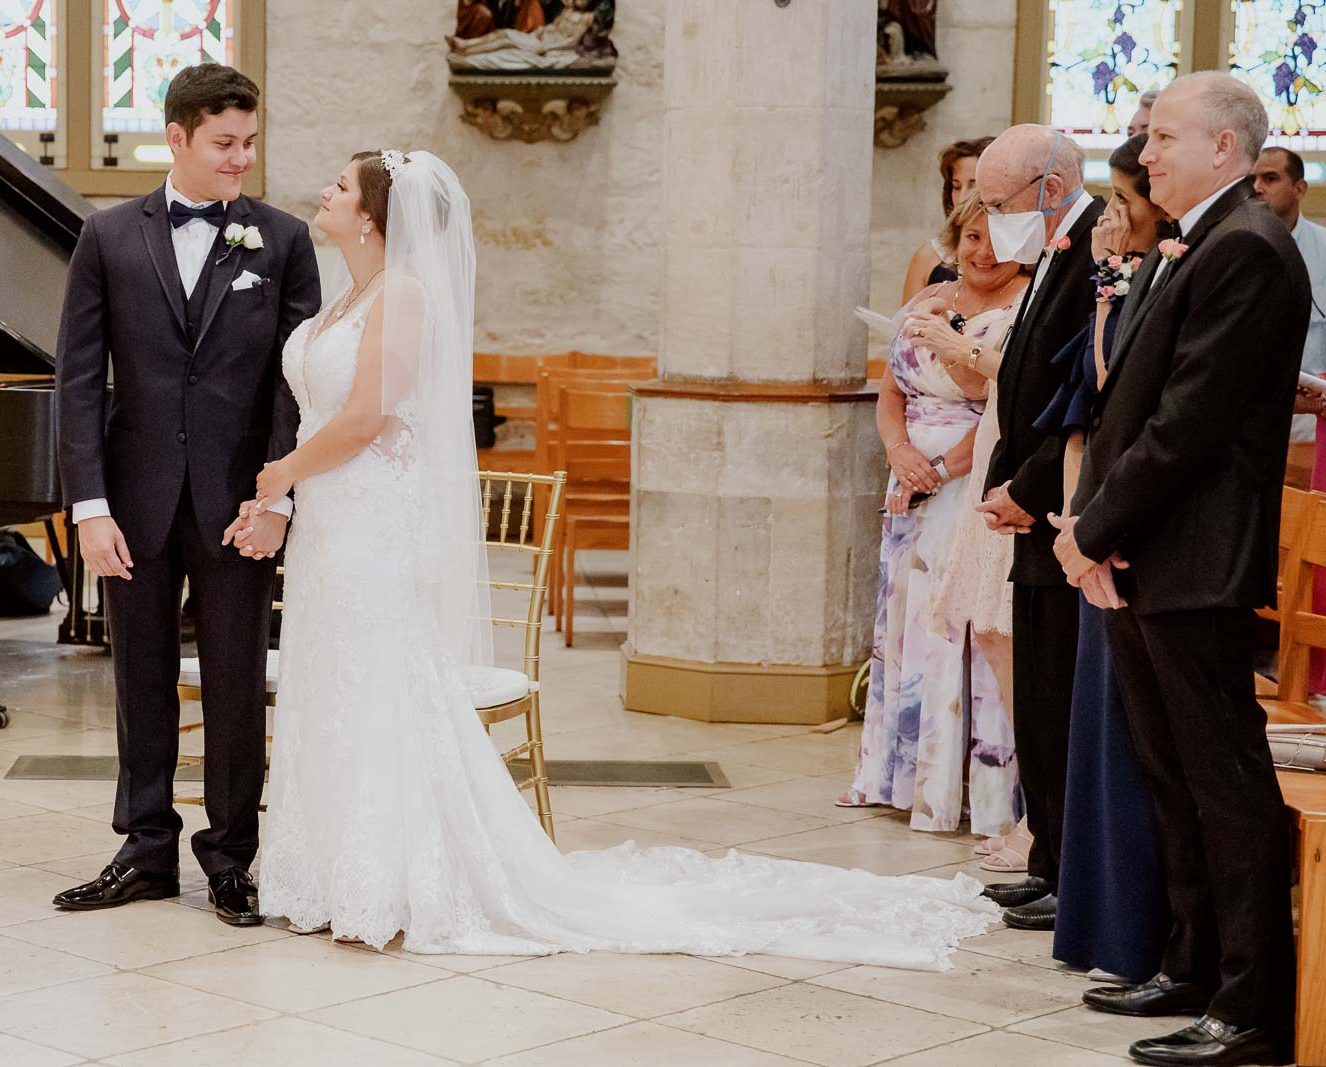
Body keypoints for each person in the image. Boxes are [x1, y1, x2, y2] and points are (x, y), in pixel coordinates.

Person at [222, 148, 997, 965]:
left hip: (372, 516)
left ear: (375, 217)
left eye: (341, 186)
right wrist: (280, 497)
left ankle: (390, 877)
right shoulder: (347, 292)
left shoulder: (404, 295)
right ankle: (327, 873)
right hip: (333, 516)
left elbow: (369, 415)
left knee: (377, 680)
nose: (326, 192)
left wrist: (281, 474)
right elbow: (319, 410)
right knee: (330, 675)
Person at [1053, 72, 1305, 1067]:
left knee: (1222, 780)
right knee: (1171, 770)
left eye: (1161, 137)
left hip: (1193, 549)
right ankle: (1196, 961)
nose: (1144, 153)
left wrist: (1092, 525)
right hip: (1149, 544)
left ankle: (1251, 1000)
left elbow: (1188, 422)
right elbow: (1131, 407)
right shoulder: (1200, 240)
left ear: (1224, 147)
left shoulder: (1245, 247)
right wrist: (1099, 524)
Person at [51, 64, 322, 926]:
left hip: (240, 503)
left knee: (238, 680)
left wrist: (278, 495)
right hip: (133, 502)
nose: (242, 158)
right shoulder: (107, 237)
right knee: (138, 677)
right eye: (224, 143)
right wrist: (89, 506)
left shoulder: (280, 242)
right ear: (177, 138)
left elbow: (295, 385)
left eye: (250, 142)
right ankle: (145, 850)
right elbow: (79, 378)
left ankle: (233, 856)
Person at [842, 192, 1025, 845]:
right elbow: (891, 388)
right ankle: (897, 777)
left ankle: (968, 791)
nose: (980, 252)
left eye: (994, 238)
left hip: (971, 481)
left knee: (959, 630)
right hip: (910, 482)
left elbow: (992, 399)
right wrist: (899, 453)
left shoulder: (1023, 306)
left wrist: (940, 470)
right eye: (969, 238)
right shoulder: (929, 295)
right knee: (907, 629)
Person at [1029, 133, 1171, 964]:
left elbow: (1121, 390)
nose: (1111, 218)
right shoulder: (1133, 276)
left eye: (1123, 202)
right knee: (1096, 731)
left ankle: (1130, 931)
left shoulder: (1165, 271)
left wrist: (1091, 524)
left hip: (1128, 532)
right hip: (1093, 523)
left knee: (1126, 738)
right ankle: (1091, 916)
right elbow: (1091, 388)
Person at [971, 126, 1105, 925]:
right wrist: (1004, 479)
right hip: (1029, 500)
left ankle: (1066, 870)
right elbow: (1027, 374)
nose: (991, 221)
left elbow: (1086, 393)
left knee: (1057, 690)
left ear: (1051, 185)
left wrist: (1028, 483)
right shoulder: (1055, 246)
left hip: (1060, 501)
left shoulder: (1096, 245)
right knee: (1040, 695)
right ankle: (1047, 856)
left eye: (999, 202)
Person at [1252, 146, 1326, 441]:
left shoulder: (1324, 248)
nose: (1257, 188)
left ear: (1300, 188)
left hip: (1312, 414)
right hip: (1248, 410)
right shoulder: (1232, 245)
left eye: (1270, 179)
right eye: (1253, 180)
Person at [902, 137, 995, 303]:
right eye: (956, 186)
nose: (962, 197)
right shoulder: (928, 256)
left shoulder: (1011, 256)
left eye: (973, 185)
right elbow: (904, 323)